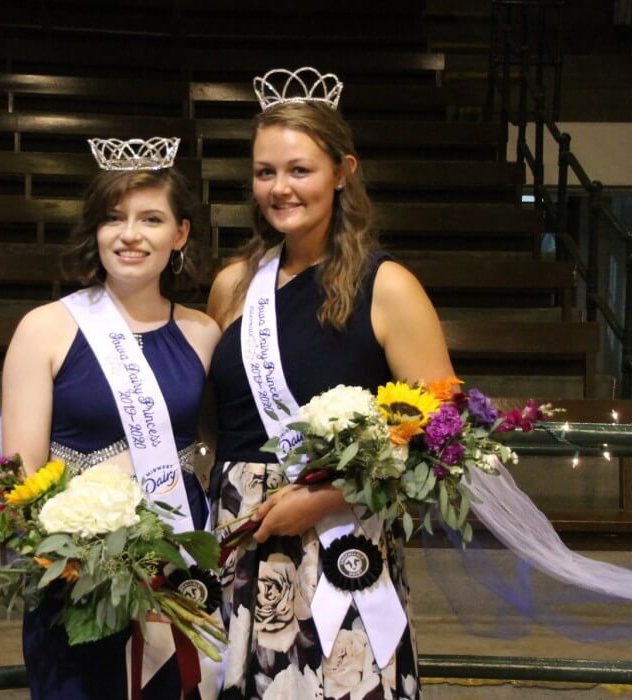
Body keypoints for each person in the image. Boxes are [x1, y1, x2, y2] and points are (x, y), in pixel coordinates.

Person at [206, 68, 457, 699]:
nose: (280, 188)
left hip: (342, 539)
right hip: (244, 539)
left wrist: (325, 497)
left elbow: (446, 434)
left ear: (343, 170)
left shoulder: (389, 286)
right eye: (266, 172)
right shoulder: (235, 285)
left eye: (300, 170)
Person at [1, 137, 222, 699]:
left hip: (176, 568)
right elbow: (21, 479)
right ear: (94, 231)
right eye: (113, 218)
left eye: (151, 218)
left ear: (180, 235)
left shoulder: (203, 333)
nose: (129, 235)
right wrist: (78, 557)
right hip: (77, 577)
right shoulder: (45, 328)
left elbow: (215, 455)